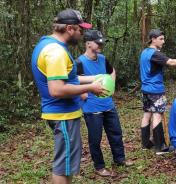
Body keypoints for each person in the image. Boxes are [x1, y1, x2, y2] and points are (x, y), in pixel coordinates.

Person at [31, 9, 107, 184]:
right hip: (62, 114)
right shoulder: (56, 52)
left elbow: (69, 79)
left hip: (63, 113)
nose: (82, 34)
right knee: (63, 166)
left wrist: (95, 78)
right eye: (81, 30)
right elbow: (57, 89)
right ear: (70, 28)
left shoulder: (48, 44)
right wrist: (91, 88)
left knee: (66, 164)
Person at [76, 30, 133, 177]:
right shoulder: (80, 62)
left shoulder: (102, 59)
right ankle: (99, 166)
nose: (101, 45)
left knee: (116, 133)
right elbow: (75, 80)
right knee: (95, 138)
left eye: (102, 42)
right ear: (88, 43)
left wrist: (111, 85)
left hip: (108, 104)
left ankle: (120, 159)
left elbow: (112, 71)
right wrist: (83, 94)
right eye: (98, 42)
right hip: (91, 107)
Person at [139, 29, 176, 154]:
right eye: (161, 39)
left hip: (145, 88)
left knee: (147, 114)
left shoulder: (144, 52)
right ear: (153, 39)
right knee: (156, 115)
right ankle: (160, 147)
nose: (163, 41)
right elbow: (171, 62)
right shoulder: (154, 53)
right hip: (155, 89)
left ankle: (145, 144)